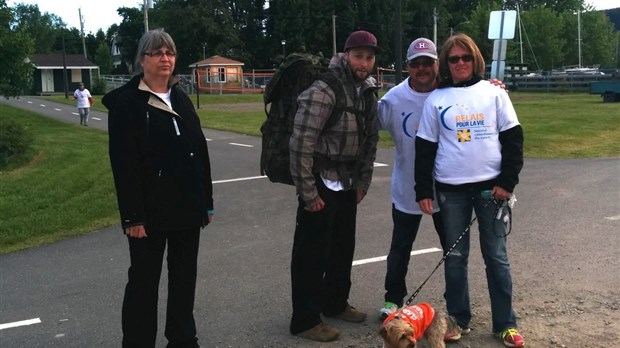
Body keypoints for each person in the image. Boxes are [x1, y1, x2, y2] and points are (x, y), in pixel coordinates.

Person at [102, 28, 214, 348]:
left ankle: (182, 338)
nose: (165, 58)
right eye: (157, 52)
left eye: (170, 52)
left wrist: (206, 202)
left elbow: (199, 150)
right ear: (142, 60)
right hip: (149, 214)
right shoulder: (127, 103)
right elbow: (124, 163)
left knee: (184, 280)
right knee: (143, 284)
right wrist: (132, 216)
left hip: (188, 208)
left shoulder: (179, 94)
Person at [414, 33, 525, 347]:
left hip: (492, 191)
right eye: (453, 59)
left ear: (475, 59)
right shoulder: (436, 99)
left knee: (497, 257)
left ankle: (505, 323)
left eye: (465, 57)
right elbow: (425, 149)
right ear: (446, 65)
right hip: (452, 191)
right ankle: (457, 320)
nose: (460, 63)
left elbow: (513, 140)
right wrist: (423, 189)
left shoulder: (494, 93)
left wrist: (507, 182)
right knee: (455, 257)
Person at [288, 30, 380, 342]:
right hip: (320, 180)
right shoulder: (324, 89)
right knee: (311, 255)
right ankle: (305, 320)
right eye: (358, 56)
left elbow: (371, 140)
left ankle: (335, 303)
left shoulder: (367, 90)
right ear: (345, 56)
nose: (364, 63)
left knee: (342, 249)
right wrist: (308, 192)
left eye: (369, 57)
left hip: (347, 182)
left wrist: (363, 181)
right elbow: (301, 143)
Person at [376, 38, 445, 320]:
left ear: (436, 64)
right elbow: (363, 126)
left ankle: (456, 304)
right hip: (406, 188)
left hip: (446, 189)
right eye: (416, 64)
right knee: (400, 247)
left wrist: (494, 85)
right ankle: (393, 300)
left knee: (454, 249)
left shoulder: (450, 92)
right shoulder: (393, 99)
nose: (422, 69)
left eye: (427, 62)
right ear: (407, 67)